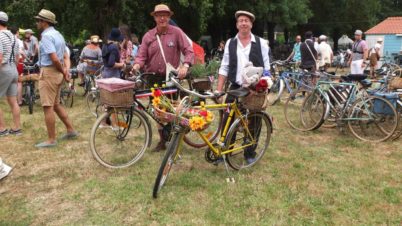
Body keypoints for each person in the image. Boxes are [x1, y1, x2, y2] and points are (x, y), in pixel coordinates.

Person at [132, 3, 194, 152]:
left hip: (170, 78)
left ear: (169, 17)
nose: (162, 18)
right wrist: (136, 66)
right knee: (157, 112)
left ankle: (176, 138)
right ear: (155, 18)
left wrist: (185, 65)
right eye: (159, 15)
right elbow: (141, 56)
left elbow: (189, 51)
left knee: (172, 111)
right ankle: (162, 141)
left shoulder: (177, 32)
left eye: (165, 15)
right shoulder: (148, 36)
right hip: (153, 79)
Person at [216, 10, 270, 164]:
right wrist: (219, 90)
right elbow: (224, 67)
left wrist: (264, 86)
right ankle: (227, 150)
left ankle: (250, 152)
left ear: (251, 24)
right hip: (235, 86)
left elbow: (266, 68)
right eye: (241, 20)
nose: (244, 23)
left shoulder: (261, 43)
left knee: (254, 120)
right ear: (237, 25)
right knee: (228, 118)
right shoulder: (230, 43)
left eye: (247, 20)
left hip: (255, 87)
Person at [34, 9, 78, 148]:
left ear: (45, 22)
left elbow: (53, 58)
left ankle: (51, 140)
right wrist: (65, 70)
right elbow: (65, 54)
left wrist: (63, 70)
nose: (37, 23)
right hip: (57, 74)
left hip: (49, 73)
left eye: (39, 20)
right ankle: (71, 130)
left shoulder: (46, 36)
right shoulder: (58, 34)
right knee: (56, 105)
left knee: (48, 107)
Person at [0, 11, 22, 137]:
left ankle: (2, 129)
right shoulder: (13, 36)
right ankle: (17, 128)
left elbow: (0, 56)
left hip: (3, 68)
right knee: (13, 100)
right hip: (13, 69)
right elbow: (18, 57)